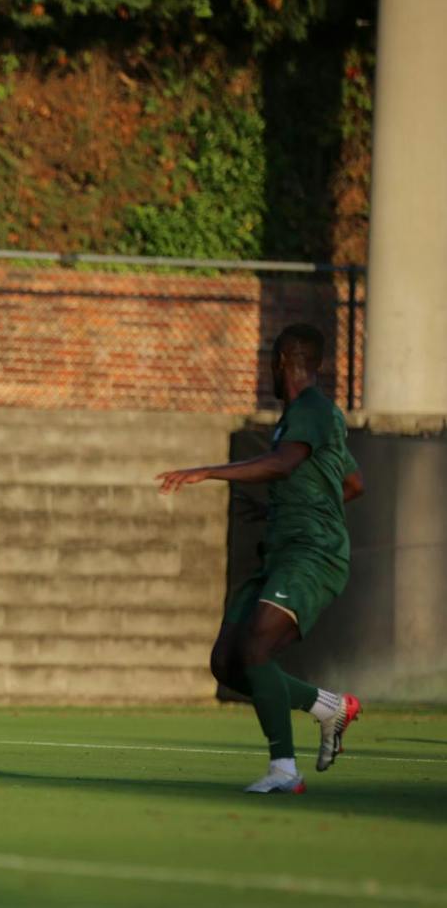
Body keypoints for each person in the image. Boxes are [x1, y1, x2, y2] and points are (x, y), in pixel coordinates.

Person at [157, 323, 363, 793]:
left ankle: (284, 771)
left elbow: (283, 464)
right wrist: (289, 508)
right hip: (281, 551)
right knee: (227, 663)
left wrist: (208, 471)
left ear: (281, 361)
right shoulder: (303, 417)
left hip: (311, 554)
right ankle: (328, 707)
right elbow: (353, 484)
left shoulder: (312, 409)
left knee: (256, 650)